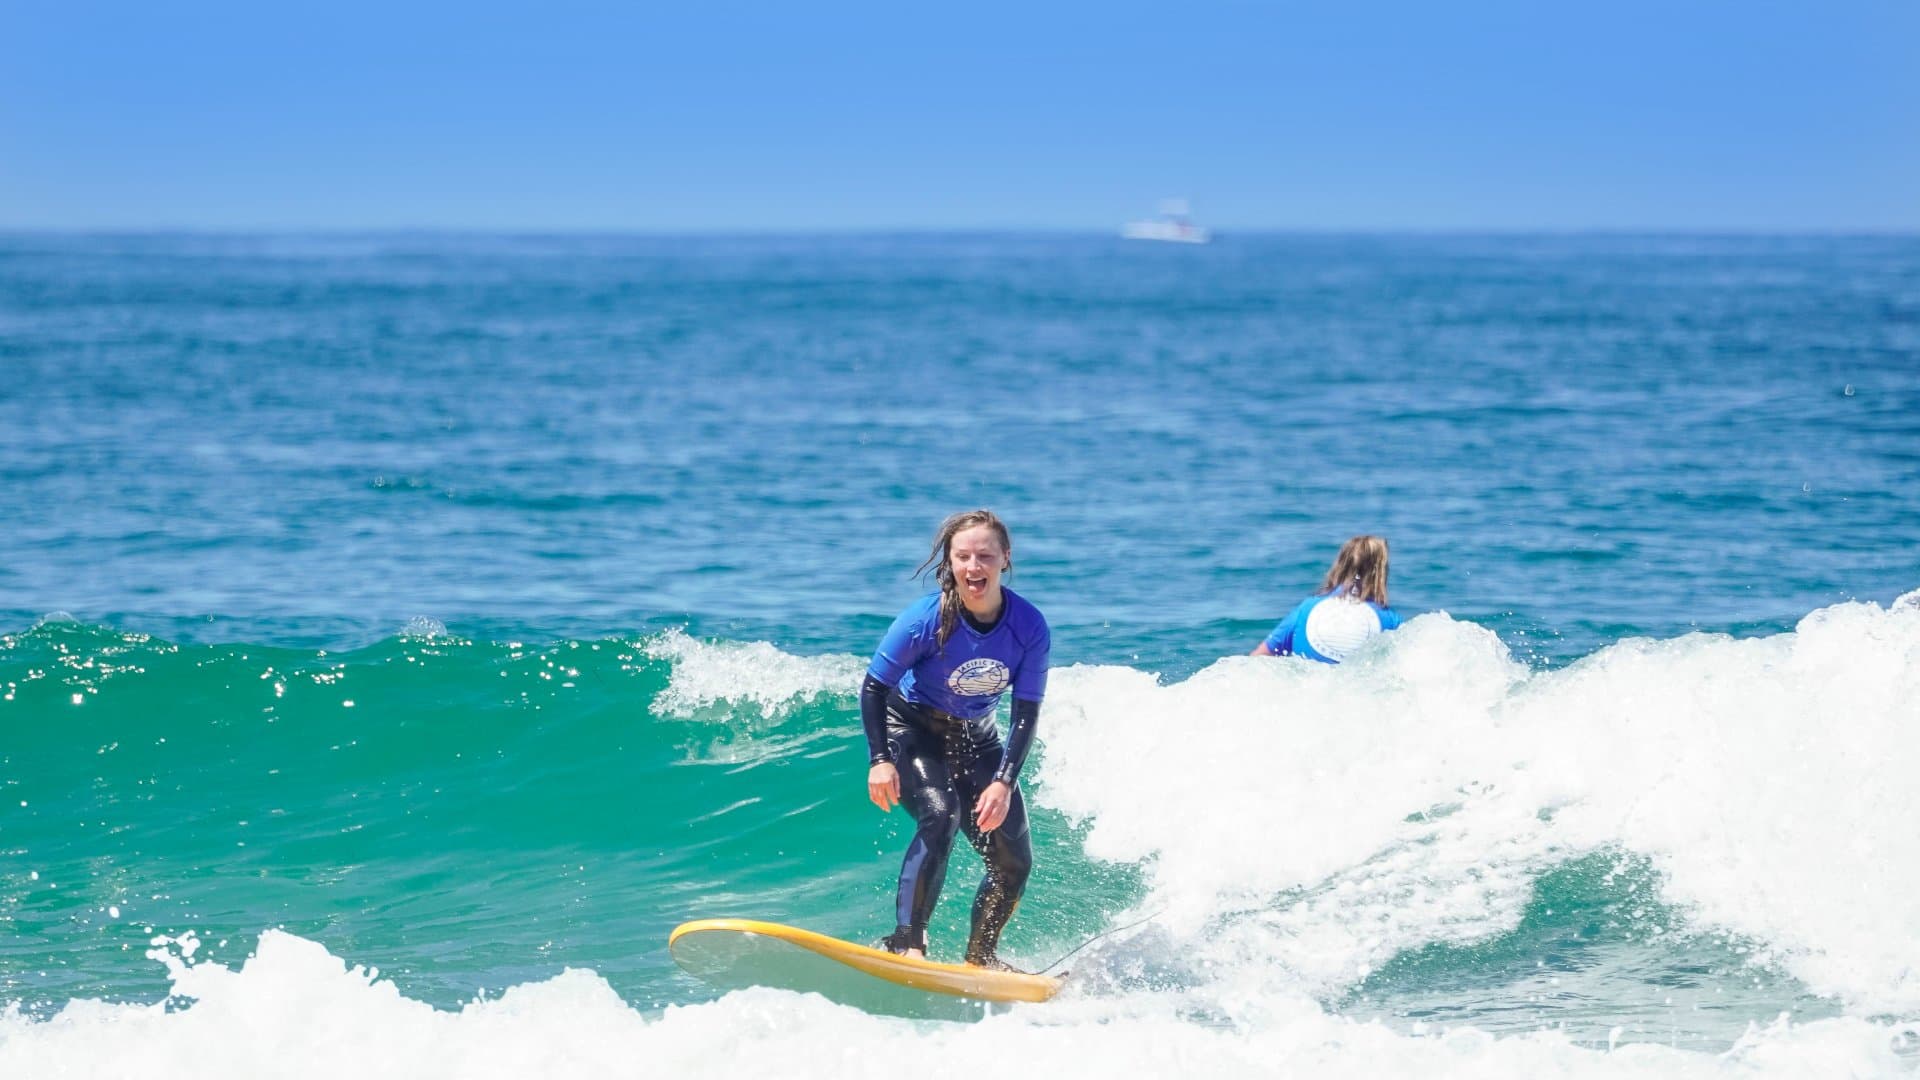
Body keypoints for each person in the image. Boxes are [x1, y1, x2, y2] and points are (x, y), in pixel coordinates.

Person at [858, 509, 1049, 968]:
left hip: (977, 739)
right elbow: (874, 688)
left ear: (1005, 558)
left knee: (1013, 863)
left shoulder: (1029, 627)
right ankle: (907, 941)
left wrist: (1003, 782)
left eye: (984, 555)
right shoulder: (924, 619)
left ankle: (980, 959)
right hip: (912, 729)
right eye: (962, 556)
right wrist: (879, 759)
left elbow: (1026, 710)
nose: (973, 566)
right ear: (950, 561)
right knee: (941, 815)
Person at [1252, 535, 1402, 663]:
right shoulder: (1390, 620)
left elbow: (1257, 659)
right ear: (1381, 573)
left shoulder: (1307, 609)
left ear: (1340, 565)